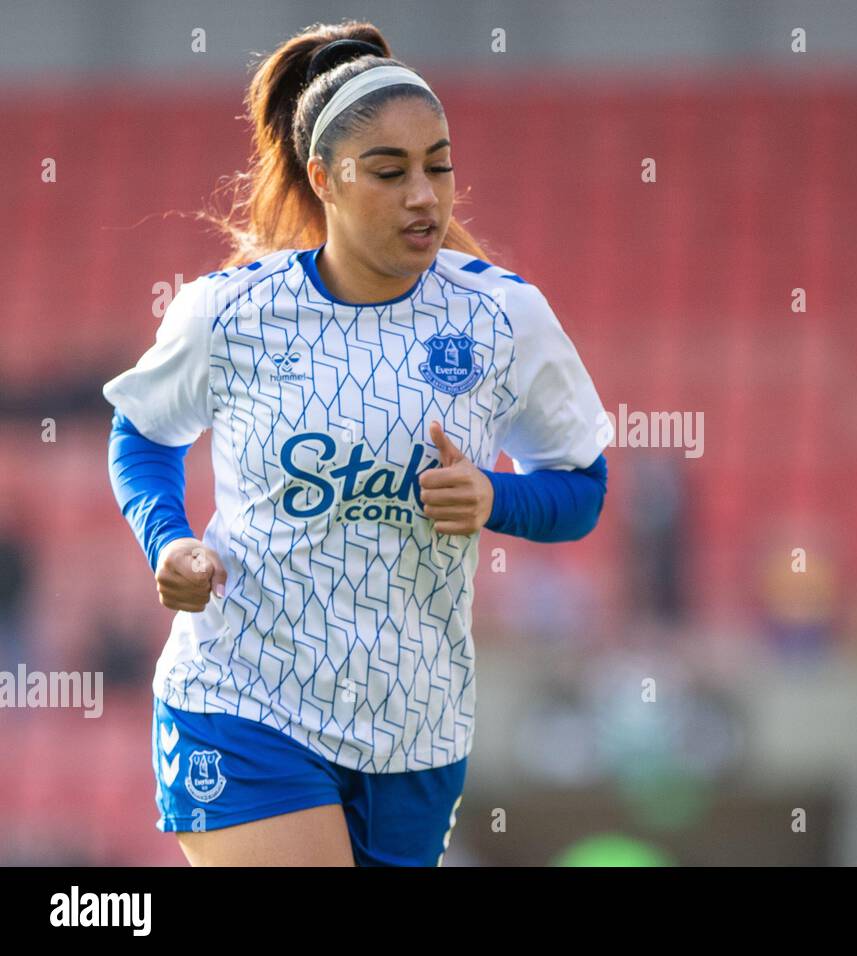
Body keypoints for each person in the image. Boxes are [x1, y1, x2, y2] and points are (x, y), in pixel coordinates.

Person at [102, 22, 611, 866]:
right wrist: (171, 539)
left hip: (416, 731)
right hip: (241, 701)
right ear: (324, 179)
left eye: (438, 166)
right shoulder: (228, 314)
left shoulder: (506, 317)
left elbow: (582, 488)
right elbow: (143, 433)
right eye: (389, 171)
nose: (424, 195)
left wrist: (496, 498)